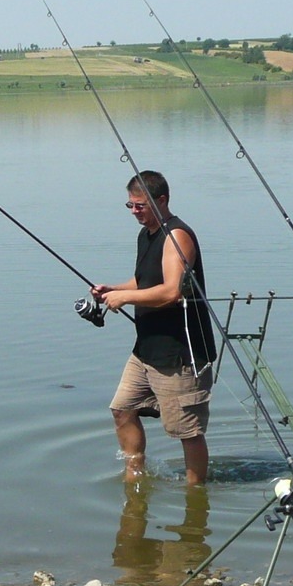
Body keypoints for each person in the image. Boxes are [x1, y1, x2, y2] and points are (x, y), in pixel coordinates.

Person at [91, 171, 217, 485]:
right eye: (130, 206)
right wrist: (113, 290)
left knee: (186, 432)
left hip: (180, 354)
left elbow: (172, 290)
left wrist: (126, 298)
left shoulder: (177, 236)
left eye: (140, 206)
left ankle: (195, 492)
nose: (134, 212)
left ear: (161, 200)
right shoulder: (146, 234)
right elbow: (146, 281)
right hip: (146, 349)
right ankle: (135, 474)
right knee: (122, 409)